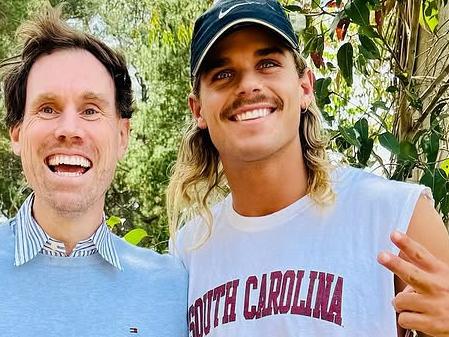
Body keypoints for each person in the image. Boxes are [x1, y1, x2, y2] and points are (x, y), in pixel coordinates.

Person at [166, 0, 449, 336]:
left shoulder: (394, 215)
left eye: (268, 63)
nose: (248, 85)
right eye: (223, 74)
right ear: (198, 109)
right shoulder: (187, 252)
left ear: (304, 87)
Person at [0, 6, 187, 337]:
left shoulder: (172, 288)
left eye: (90, 110)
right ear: (17, 133)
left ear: (121, 136)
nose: (69, 129)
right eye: (47, 108)